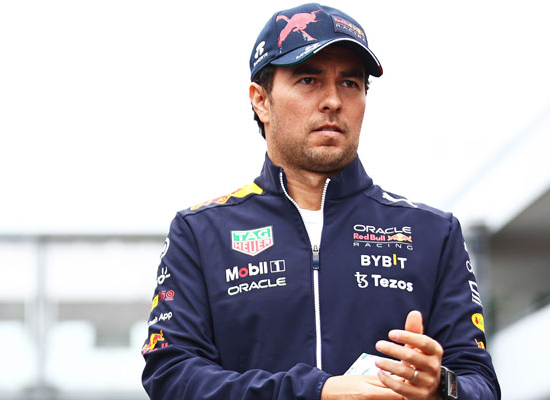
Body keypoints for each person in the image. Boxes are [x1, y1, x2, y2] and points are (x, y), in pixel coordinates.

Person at [141, 3, 500, 399]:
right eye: (309, 79)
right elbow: (171, 376)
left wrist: (440, 386)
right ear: (261, 100)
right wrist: (317, 392)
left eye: (350, 83)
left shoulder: (433, 233)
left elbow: (479, 383)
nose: (332, 100)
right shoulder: (200, 232)